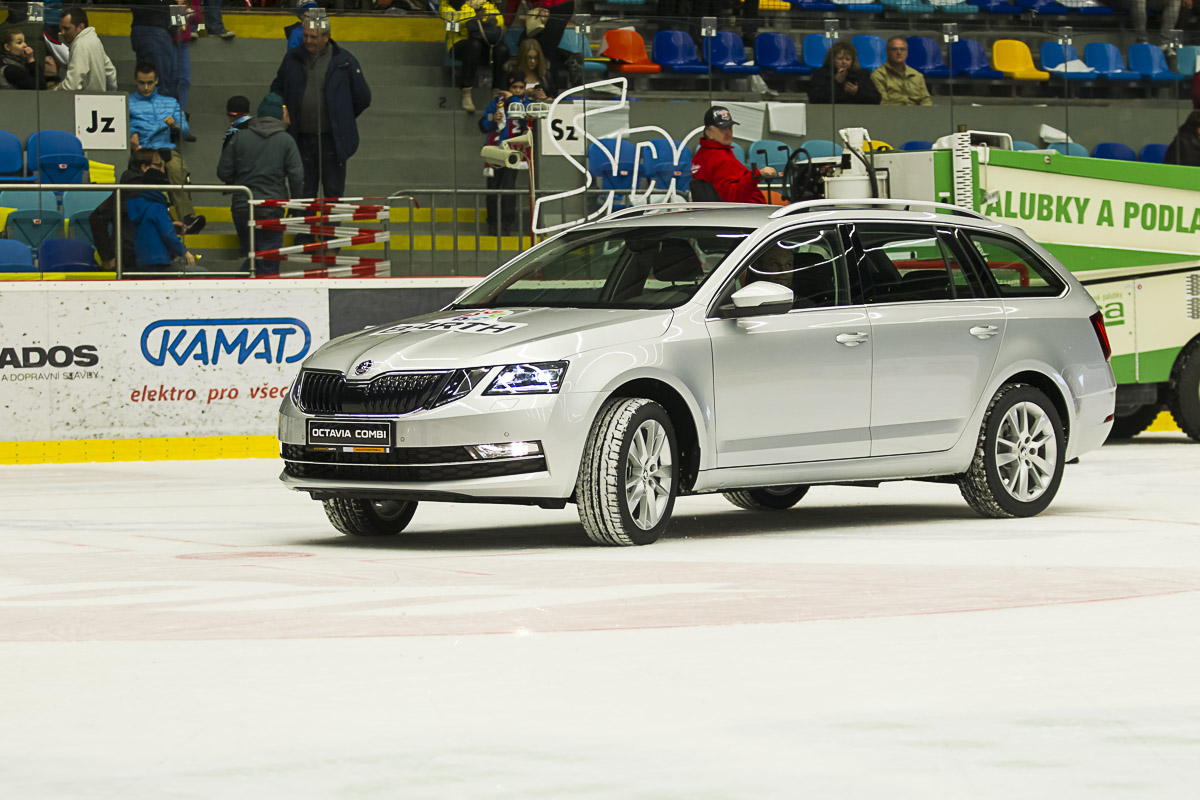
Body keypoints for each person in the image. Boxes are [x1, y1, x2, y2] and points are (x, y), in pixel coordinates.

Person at [270, 17, 372, 199]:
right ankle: (303, 220)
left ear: (327, 36)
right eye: (306, 36)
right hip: (299, 139)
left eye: (313, 37)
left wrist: (342, 116)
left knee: (333, 194)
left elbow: (363, 98)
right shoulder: (292, 58)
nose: (308, 41)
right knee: (303, 195)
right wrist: (282, 106)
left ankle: (331, 220)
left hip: (332, 141)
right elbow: (277, 87)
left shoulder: (345, 61)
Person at [217, 92, 304, 275]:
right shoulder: (286, 140)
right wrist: (295, 205)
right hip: (272, 206)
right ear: (279, 116)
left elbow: (223, 172)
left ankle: (241, 286)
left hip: (243, 206)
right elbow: (296, 176)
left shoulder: (239, 137)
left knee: (253, 259)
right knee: (267, 262)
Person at [128, 62, 205, 234]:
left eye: (149, 82)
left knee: (178, 168)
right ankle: (166, 219)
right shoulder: (127, 102)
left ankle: (187, 217)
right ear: (135, 81)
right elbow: (118, 124)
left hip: (166, 149)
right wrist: (131, 133)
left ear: (156, 81)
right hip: (143, 151)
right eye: (141, 83)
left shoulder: (170, 103)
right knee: (154, 171)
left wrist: (175, 125)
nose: (146, 87)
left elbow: (186, 131)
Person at [125, 147, 196, 274]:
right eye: (159, 166)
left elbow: (149, 226)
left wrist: (170, 224)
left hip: (142, 260)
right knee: (201, 273)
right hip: (159, 261)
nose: (163, 170)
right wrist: (184, 251)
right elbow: (167, 234)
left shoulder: (137, 202)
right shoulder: (157, 205)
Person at [690, 105, 775, 204]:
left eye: (730, 128)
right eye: (722, 129)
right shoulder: (721, 159)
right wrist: (757, 174)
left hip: (718, 211)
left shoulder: (701, 155)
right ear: (709, 133)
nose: (728, 133)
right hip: (746, 210)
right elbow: (734, 197)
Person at [481, 72, 530, 236]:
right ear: (507, 88)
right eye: (514, 87)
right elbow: (483, 125)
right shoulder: (496, 103)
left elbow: (527, 118)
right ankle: (493, 224)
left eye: (521, 87)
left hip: (514, 152)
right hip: (495, 151)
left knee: (509, 188)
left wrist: (513, 99)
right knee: (492, 189)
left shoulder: (525, 103)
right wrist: (492, 120)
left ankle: (507, 224)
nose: (518, 90)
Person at [439, 0, 511, 112]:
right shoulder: (449, 3)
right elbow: (451, 24)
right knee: (474, 45)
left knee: (502, 49)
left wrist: (491, 20)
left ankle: (497, 93)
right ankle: (466, 91)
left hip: (485, 43)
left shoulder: (484, 3)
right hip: (459, 43)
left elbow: (500, 20)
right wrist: (474, 18)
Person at [53, 7, 117, 93]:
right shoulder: (95, 40)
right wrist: (109, 95)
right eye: (61, 29)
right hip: (99, 98)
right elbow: (110, 73)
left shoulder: (80, 44)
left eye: (67, 28)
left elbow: (72, 85)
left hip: (82, 99)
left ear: (81, 27)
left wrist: (53, 92)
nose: (62, 32)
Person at [129, 0, 177, 109]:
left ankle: (144, 115)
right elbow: (178, 20)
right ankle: (160, 117)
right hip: (157, 30)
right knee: (159, 85)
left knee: (145, 81)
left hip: (138, 28)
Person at [808, 41, 880, 105]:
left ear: (852, 61)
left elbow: (876, 99)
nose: (844, 62)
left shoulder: (861, 74)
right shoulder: (821, 74)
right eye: (840, 58)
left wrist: (857, 91)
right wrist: (836, 82)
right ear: (832, 59)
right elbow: (815, 99)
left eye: (848, 59)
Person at [871, 37, 932, 107]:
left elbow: (925, 100)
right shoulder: (878, 75)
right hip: (891, 112)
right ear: (887, 53)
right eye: (894, 49)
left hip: (917, 112)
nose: (899, 53)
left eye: (902, 49)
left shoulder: (917, 75)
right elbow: (882, 103)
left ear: (907, 53)